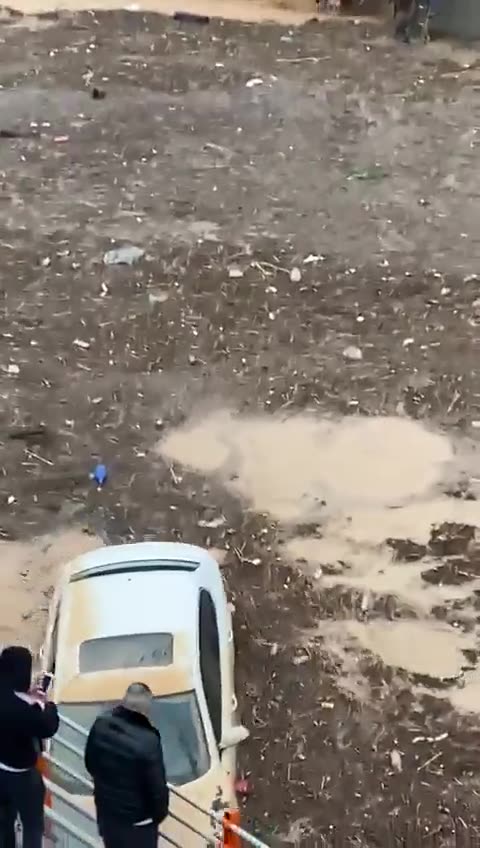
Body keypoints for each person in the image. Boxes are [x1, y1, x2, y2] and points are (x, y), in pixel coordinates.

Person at [85, 682, 169, 848]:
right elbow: (157, 790)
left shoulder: (100, 725)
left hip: (109, 820)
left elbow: (90, 764)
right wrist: (157, 816)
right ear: (145, 709)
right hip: (139, 826)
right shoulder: (149, 740)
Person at [0, 645, 59, 848]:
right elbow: (48, 727)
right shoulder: (25, 711)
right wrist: (47, 705)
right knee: (33, 825)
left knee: (4, 823)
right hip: (23, 776)